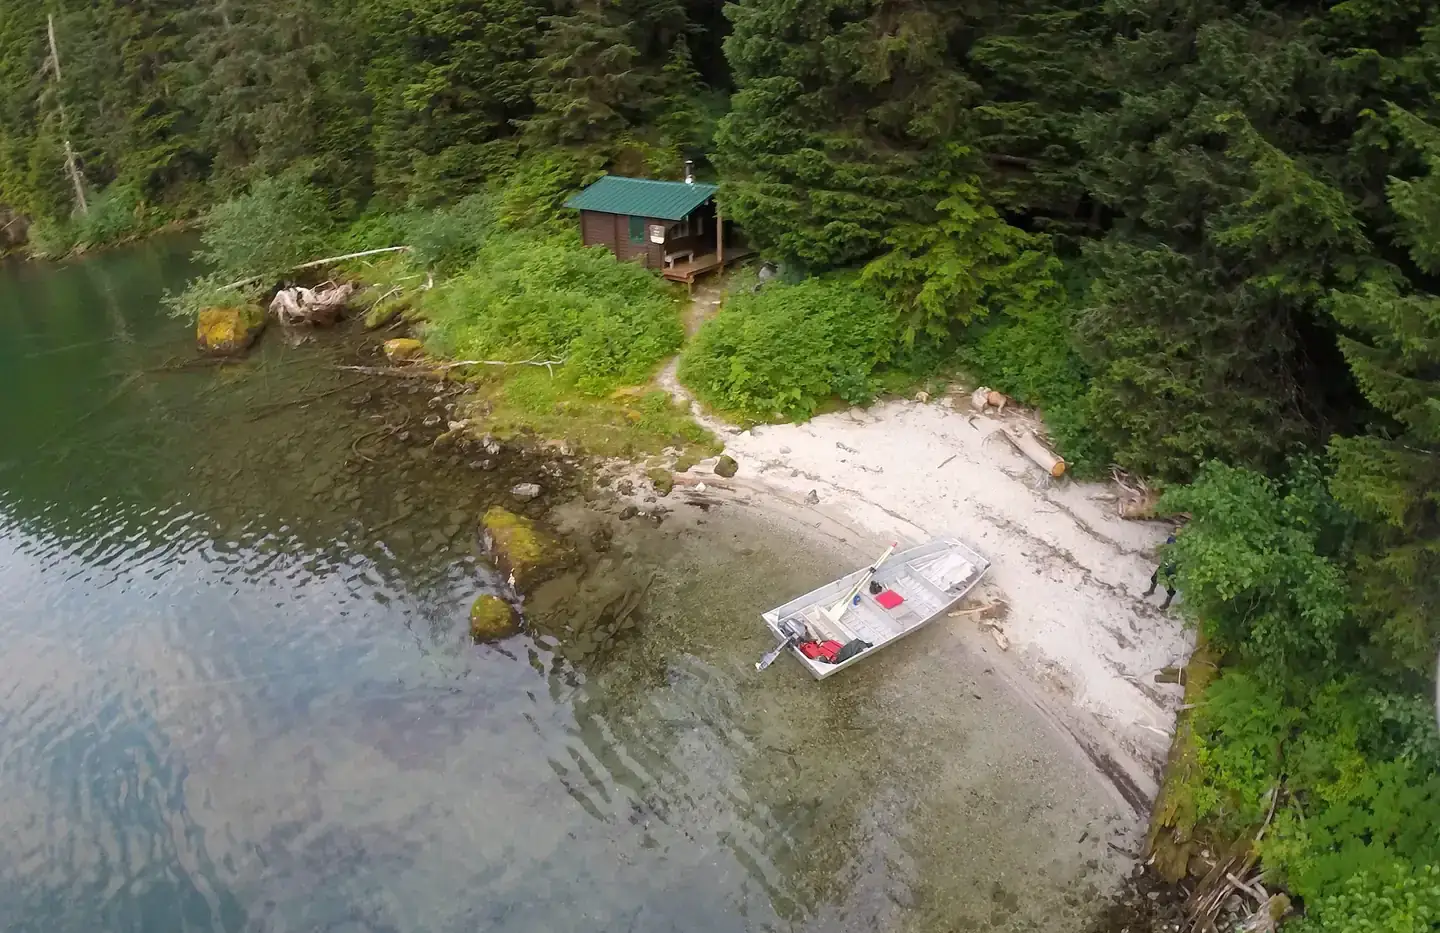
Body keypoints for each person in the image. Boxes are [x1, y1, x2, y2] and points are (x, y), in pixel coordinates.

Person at [1144, 531, 1179, 609]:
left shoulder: (1182, 546)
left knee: (1171, 588)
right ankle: (1151, 591)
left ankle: (1167, 603)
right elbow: (1165, 549)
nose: (1174, 533)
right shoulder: (1171, 539)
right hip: (1165, 564)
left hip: (1173, 569)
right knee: (1154, 578)